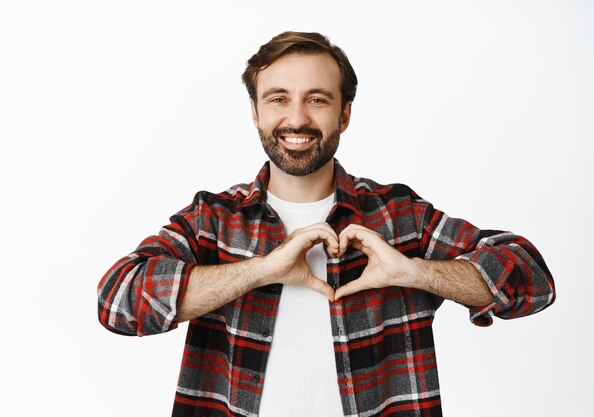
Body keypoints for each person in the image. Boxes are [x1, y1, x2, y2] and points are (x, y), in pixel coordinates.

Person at [97, 31, 555, 417]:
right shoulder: (214, 221)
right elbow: (117, 302)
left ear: (345, 114)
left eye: (317, 100)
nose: (296, 118)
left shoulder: (399, 217)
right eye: (278, 99)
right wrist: (261, 270)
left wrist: (414, 272)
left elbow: (533, 280)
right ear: (255, 112)